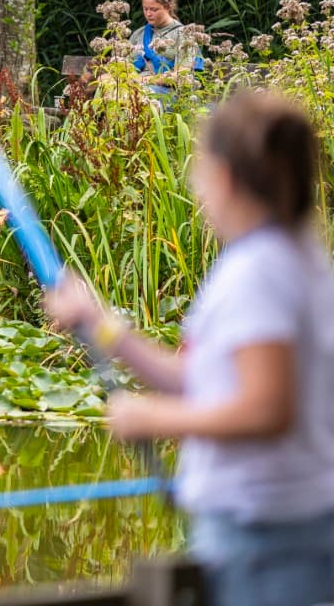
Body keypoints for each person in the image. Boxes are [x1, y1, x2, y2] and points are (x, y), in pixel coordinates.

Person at [44, 90, 334, 606]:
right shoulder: (289, 258)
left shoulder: (260, 272)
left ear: (223, 178)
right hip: (276, 529)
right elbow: (198, 378)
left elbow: (269, 408)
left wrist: (154, 420)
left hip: (265, 538)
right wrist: (102, 326)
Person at [129, 0, 203, 104]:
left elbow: (180, 76)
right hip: (135, 86)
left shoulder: (183, 35)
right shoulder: (138, 34)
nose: (148, 14)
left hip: (167, 93)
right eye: (145, 9)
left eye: (154, 9)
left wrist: (143, 80)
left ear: (168, 7)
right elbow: (123, 67)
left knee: (138, 95)